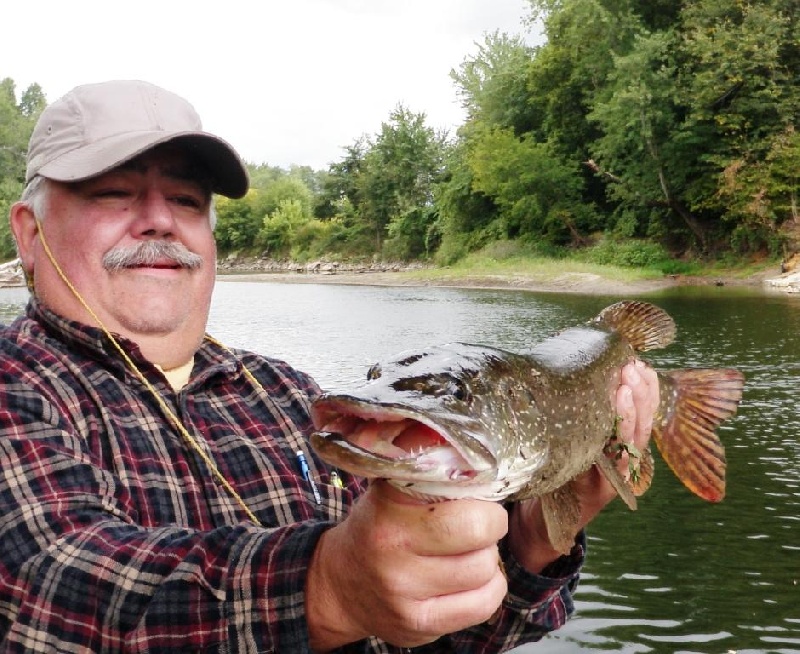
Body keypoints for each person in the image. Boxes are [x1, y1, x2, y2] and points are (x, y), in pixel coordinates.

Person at [0, 80, 660, 653]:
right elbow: (52, 586)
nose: (157, 221)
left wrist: (532, 543)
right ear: (30, 233)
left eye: (187, 201)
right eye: (115, 193)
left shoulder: (289, 394)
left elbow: (430, 637)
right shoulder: (18, 387)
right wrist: (330, 587)